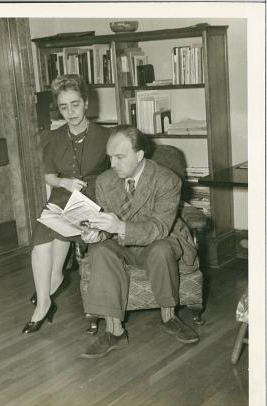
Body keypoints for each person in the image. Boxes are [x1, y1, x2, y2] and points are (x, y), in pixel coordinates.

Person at [79, 125, 201, 359]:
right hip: (121, 243)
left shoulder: (167, 180)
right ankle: (114, 331)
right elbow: (105, 223)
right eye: (110, 157)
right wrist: (95, 232)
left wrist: (119, 227)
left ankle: (170, 317)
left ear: (139, 156)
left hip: (161, 239)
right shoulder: (105, 181)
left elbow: (159, 228)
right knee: (99, 249)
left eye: (119, 157)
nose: (112, 164)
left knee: (162, 250)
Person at [22, 74, 110, 334]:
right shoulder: (52, 137)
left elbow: (118, 172)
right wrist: (64, 183)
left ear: (85, 103)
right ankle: (44, 302)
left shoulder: (106, 135)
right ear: (58, 109)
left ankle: (49, 289)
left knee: (55, 256)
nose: (70, 112)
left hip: (93, 201)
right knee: (40, 244)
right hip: (63, 197)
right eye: (63, 107)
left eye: (74, 104)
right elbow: (49, 175)